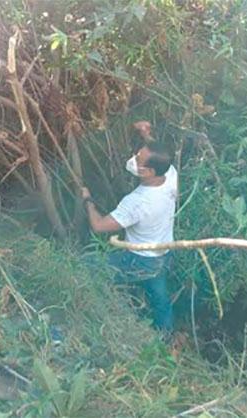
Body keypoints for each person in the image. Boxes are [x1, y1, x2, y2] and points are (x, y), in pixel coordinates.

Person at [81, 121, 177, 334]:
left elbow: (98, 225)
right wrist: (146, 134)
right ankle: (167, 339)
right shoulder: (170, 175)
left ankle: (104, 315)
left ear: (149, 171)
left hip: (138, 259)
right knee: (160, 299)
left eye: (139, 160)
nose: (134, 160)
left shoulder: (137, 202)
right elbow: (160, 155)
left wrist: (87, 200)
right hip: (162, 254)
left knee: (88, 266)